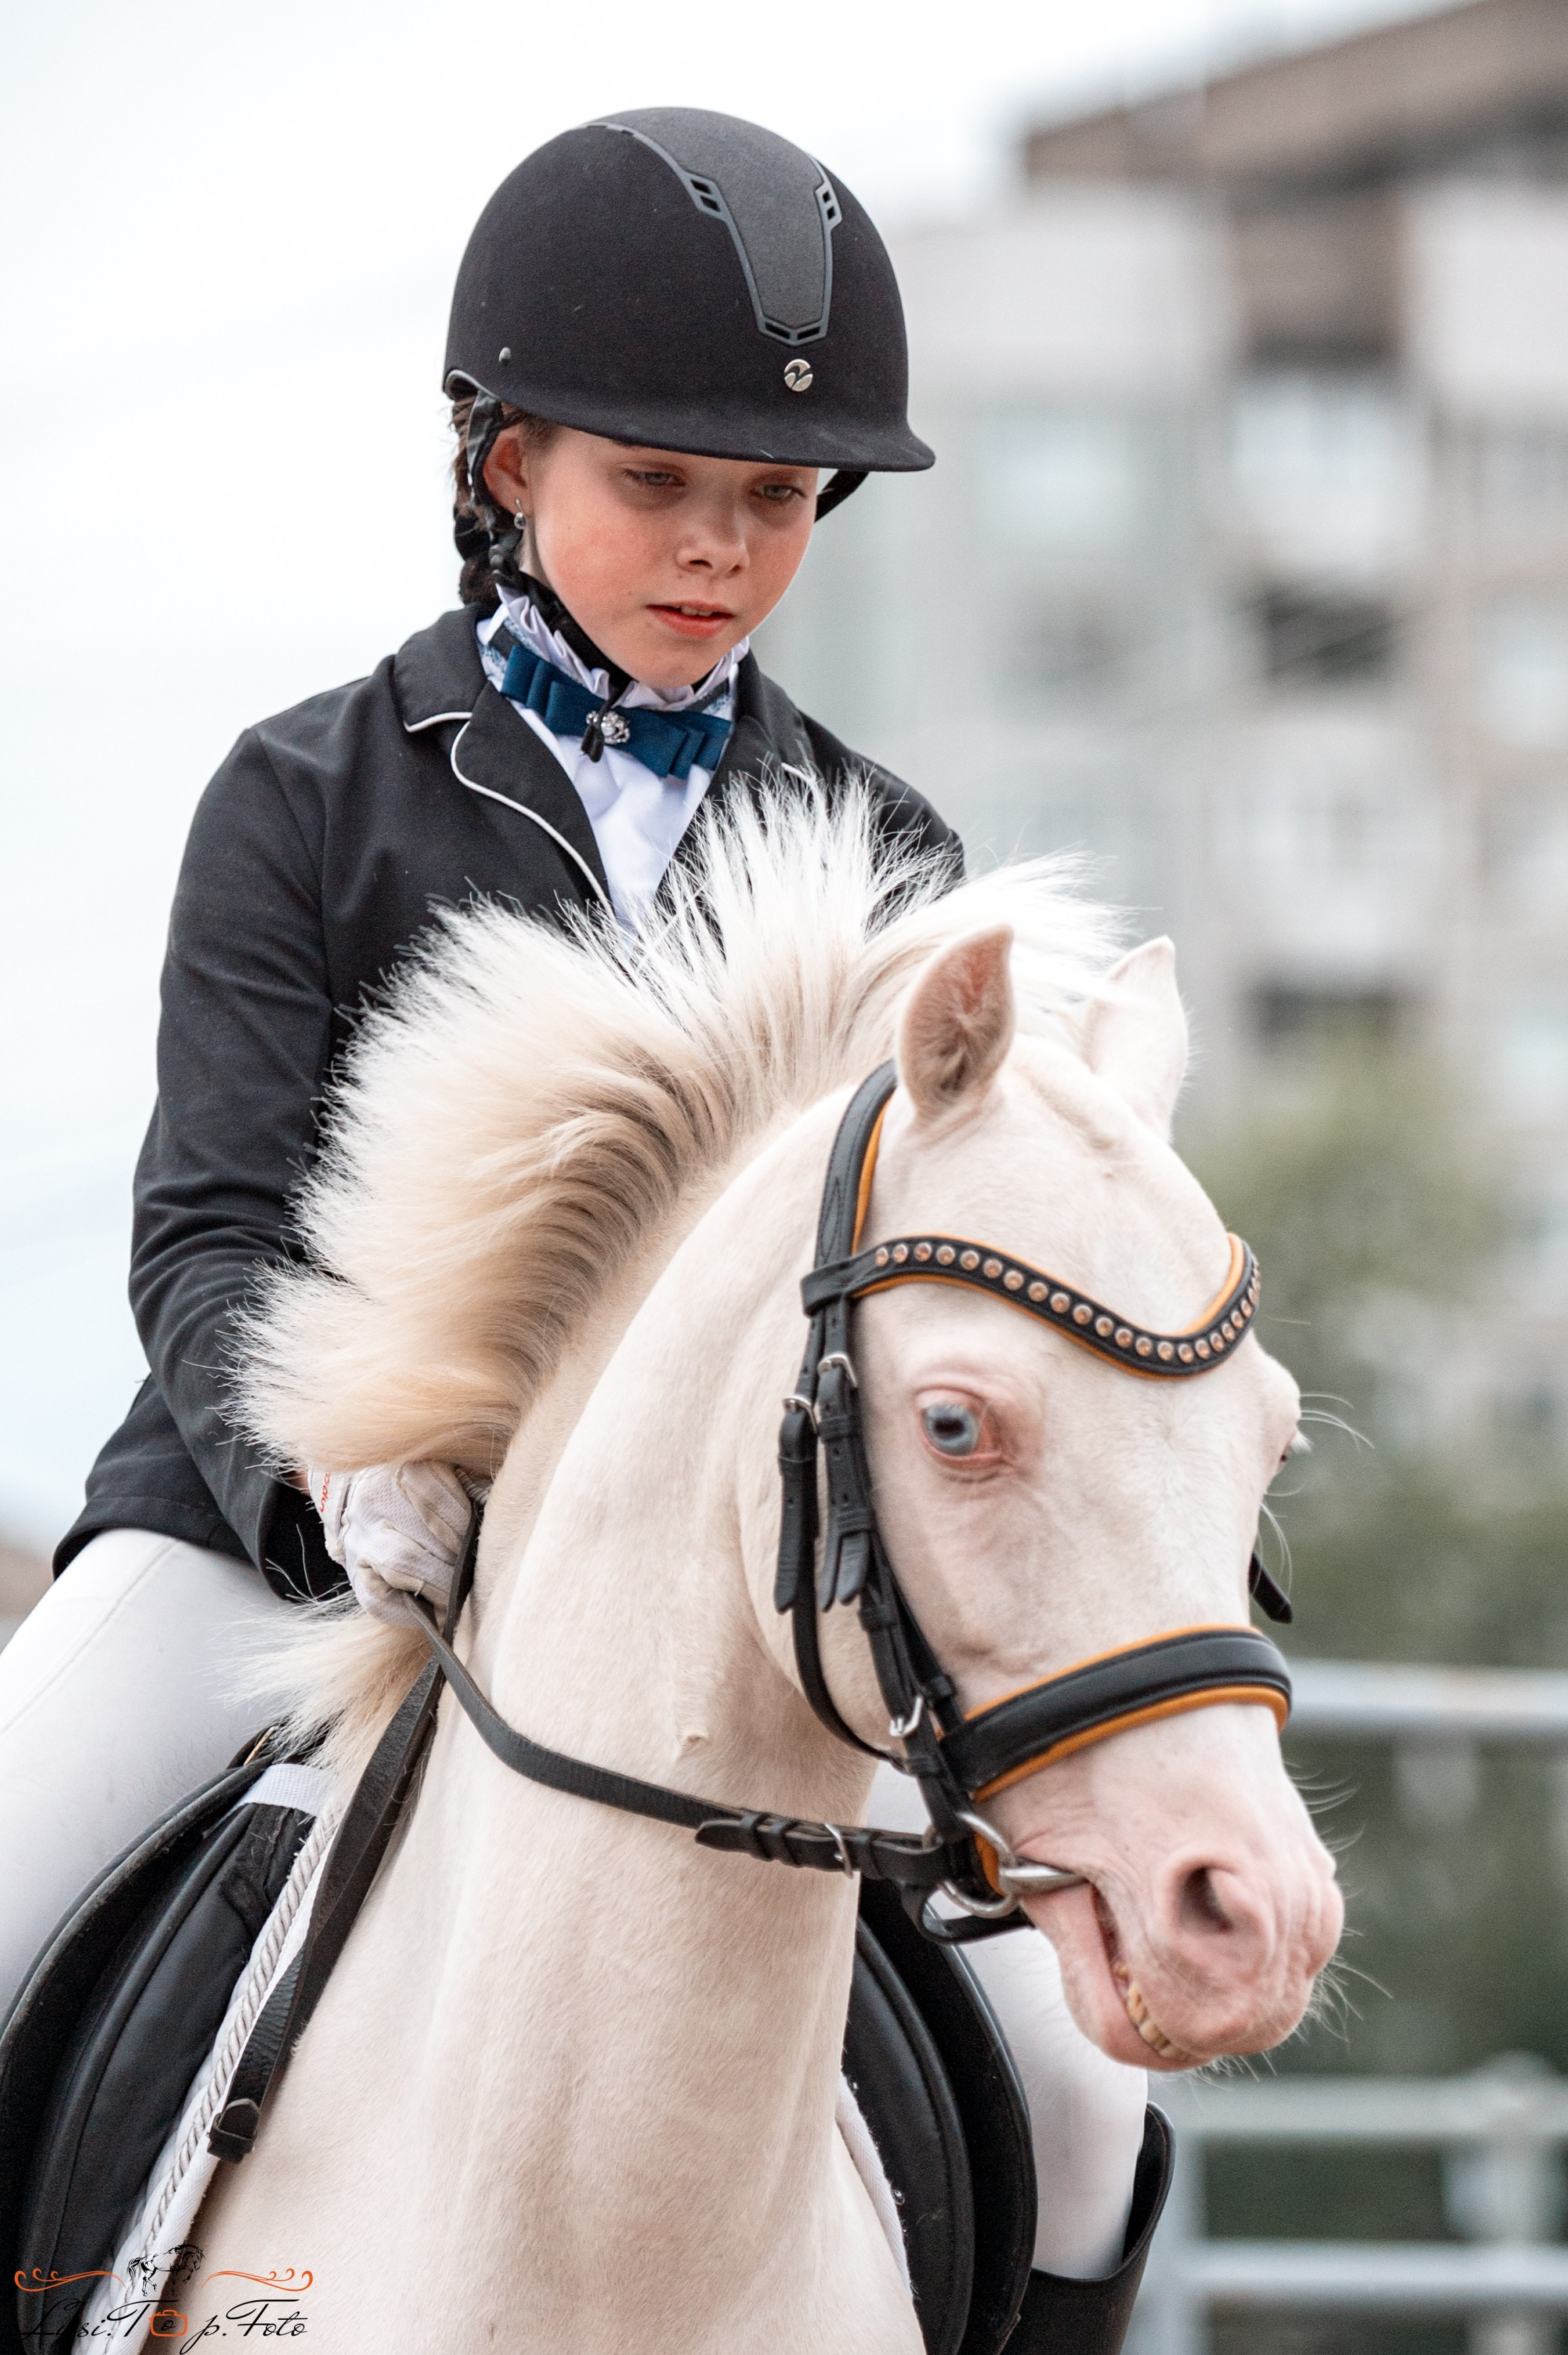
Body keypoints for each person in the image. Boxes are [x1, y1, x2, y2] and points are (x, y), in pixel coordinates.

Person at [0, 107, 1148, 2316]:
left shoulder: (880, 850)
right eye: (657, 484)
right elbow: (210, 1231)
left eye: (776, 499)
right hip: (284, 1541)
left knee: (1080, 2099)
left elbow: (926, 1280)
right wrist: (335, 1493)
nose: (718, 547)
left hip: (725, 1602)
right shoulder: (306, 795)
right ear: (504, 461)